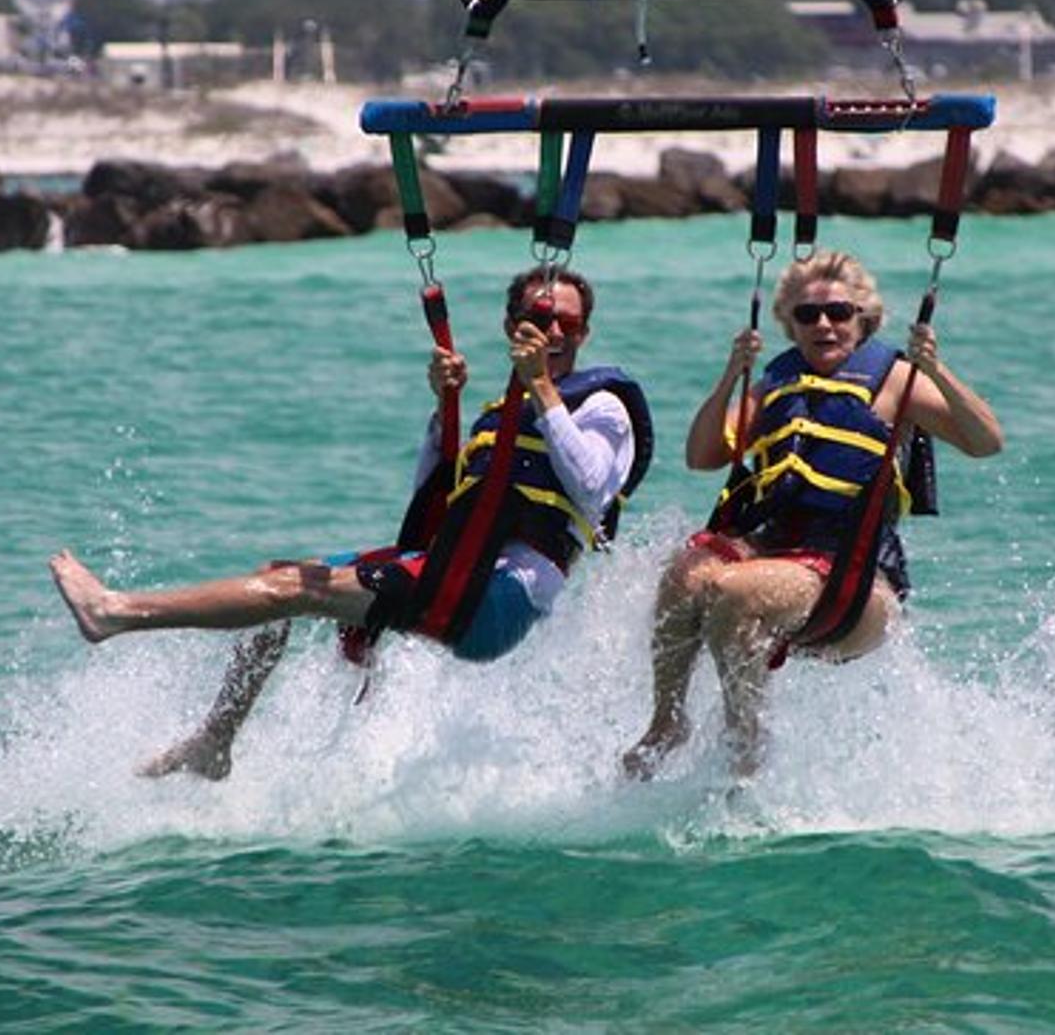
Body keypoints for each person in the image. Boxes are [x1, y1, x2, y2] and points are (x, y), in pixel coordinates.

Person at [49, 266, 650, 780]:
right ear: (511, 327)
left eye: (568, 325)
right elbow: (433, 504)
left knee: (294, 590)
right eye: (540, 321)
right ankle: (216, 741)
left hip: (500, 600)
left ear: (584, 333)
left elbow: (593, 487)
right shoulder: (498, 419)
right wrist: (444, 410)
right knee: (280, 578)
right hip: (456, 572)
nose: (554, 333)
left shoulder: (603, 407)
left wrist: (541, 387)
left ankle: (116, 612)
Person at [621, 250, 1003, 779]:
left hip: (856, 584)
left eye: (839, 313)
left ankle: (745, 749)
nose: (824, 324)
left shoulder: (895, 380)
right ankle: (667, 721)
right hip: (778, 559)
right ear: (790, 324)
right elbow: (702, 455)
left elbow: (986, 440)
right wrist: (732, 375)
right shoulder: (775, 384)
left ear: (863, 319)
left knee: (734, 591)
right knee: (685, 572)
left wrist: (934, 368)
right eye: (808, 315)